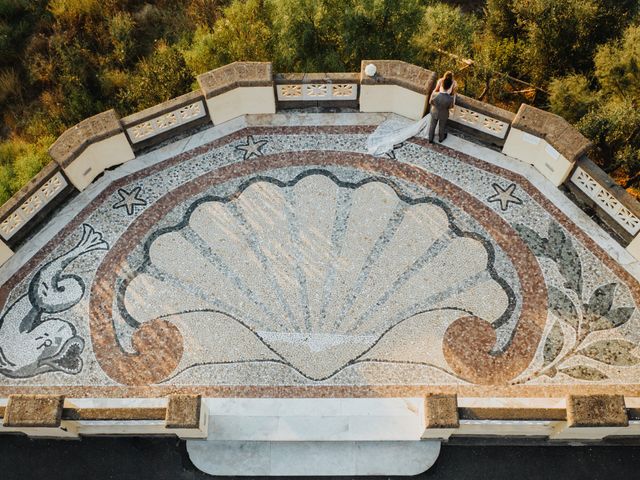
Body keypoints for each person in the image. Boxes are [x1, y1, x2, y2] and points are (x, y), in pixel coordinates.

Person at [428, 79, 455, 143]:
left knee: (432, 126)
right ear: (449, 87)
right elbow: (451, 107)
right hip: (444, 114)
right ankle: (440, 139)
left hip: (434, 112)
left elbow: (430, 102)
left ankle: (430, 139)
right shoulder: (450, 98)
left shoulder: (435, 94)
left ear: (442, 85)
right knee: (442, 127)